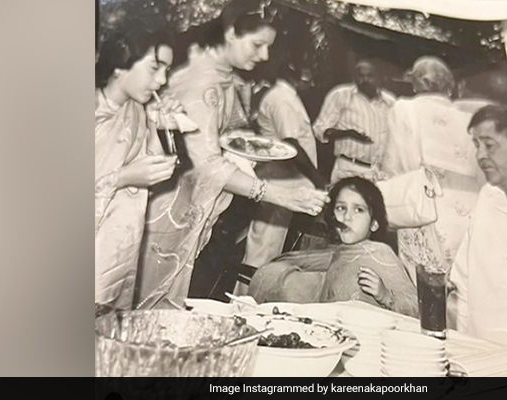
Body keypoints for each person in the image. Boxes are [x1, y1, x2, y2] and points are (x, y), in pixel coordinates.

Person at [134, 0, 330, 310]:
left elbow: (232, 132)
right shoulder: (204, 84)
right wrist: (279, 195)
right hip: (166, 207)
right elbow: (206, 164)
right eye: (257, 45)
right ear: (229, 33)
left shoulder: (222, 76)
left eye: (268, 47)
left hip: (186, 206)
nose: (264, 56)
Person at [95, 20, 182, 310]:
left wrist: (159, 123)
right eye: (155, 68)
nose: (162, 80)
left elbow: (149, 167)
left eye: (167, 70)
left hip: (118, 250)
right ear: (121, 64)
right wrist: (122, 178)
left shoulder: (135, 110)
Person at [248, 177, 419, 318]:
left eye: (358, 210)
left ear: (374, 224)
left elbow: (416, 308)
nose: (347, 217)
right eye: (341, 208)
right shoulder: (337, 255)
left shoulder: (380, 253)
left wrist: (386, 295)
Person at [381, 56, 487, 284]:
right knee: (464, 280)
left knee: (427, 284)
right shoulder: (467, 116)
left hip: (425, 204)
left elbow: (393, 163)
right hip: (470, 208)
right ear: (449, 85)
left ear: (415, 84)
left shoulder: (404, 108)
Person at [448, 104, 507, 353]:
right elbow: (462, 287)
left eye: (489, 145)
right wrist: (462, 350)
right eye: (476, 145)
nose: (479, 155)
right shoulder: (487, 198)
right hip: (479, 355)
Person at [240, 61, 326, 276]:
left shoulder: (288, 96)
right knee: (264, 249)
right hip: (279, 180)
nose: (310, 79)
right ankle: (247, 293)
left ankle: (258, 290)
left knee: (270, 248)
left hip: (286, 180)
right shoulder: (282, 99)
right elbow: (291, 144)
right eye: (307, 72)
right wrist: (317, 179)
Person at [313, 59, 396, 183]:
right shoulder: (341, 95)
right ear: (354, 77)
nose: (365, 80)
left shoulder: (389, 101)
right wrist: (348, 134)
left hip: (379, 172)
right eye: (360, 76)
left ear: (379, 78)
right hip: (349, 169)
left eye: (370, 76)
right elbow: (320, 130)